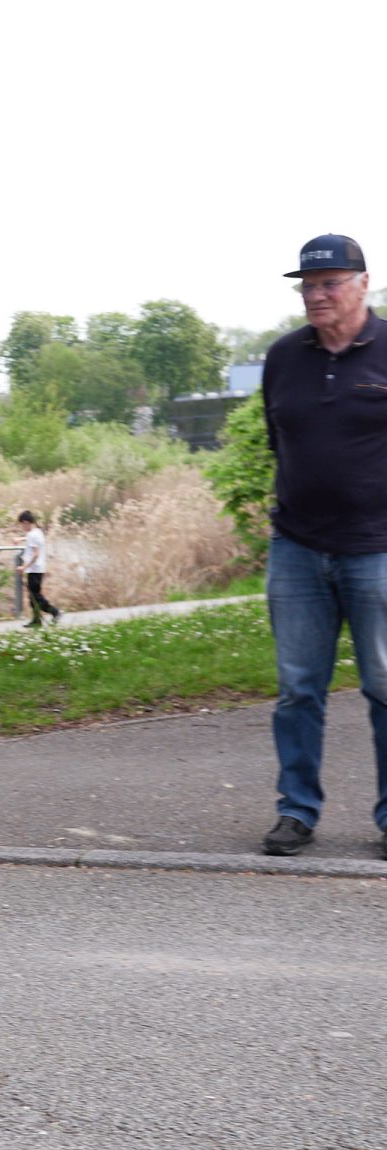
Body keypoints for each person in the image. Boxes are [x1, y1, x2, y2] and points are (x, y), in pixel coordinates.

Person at [260, 233, 387, 858]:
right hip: (298, 550)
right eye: (308, 286)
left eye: (329, 283)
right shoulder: (283, 358)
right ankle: (296, 811)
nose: (316, 295)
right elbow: (278, 438)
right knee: (297, 690)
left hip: (378, 550)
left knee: (386, 686)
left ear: (363, 284)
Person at [15, 510, 61, 628]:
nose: (22, 527)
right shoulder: (38, 532)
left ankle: (55, 612)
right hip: (39, 569)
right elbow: (31, 539)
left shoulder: (32, 535)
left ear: (26, 522)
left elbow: (35, 554)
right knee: (33, 597)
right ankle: (36, 620)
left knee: (36, 597)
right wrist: (20, 539)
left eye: (22, 524)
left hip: (34, 570)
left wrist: (23, 567)